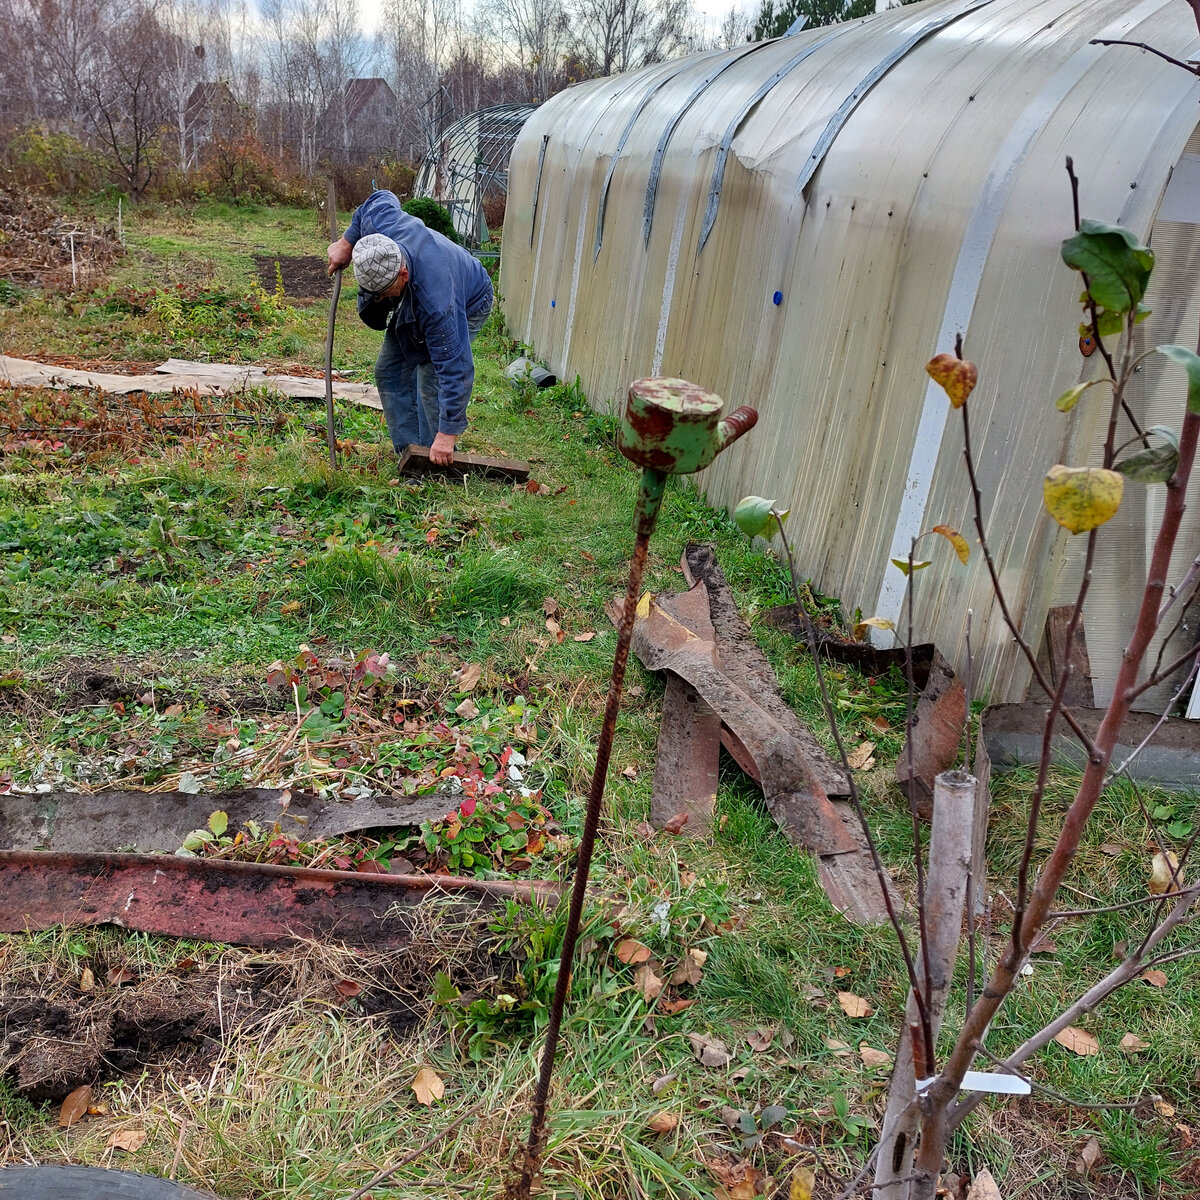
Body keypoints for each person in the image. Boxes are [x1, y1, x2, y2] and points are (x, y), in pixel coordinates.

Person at [326, 190, 493, 465]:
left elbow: (455, 368)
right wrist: (346, 241)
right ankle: (408, 452)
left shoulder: (437, 305)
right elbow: (379, 199)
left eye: (386, 293)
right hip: (417, 291)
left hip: (471, 298)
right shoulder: (383, 224)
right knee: (388, 370)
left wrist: (447, 434)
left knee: (429, 375)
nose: (383, 300)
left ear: (402, 274)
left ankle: (433, 458)